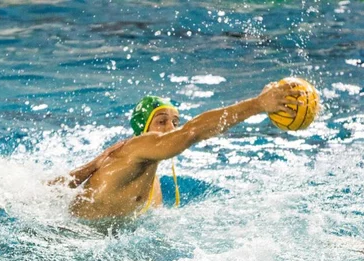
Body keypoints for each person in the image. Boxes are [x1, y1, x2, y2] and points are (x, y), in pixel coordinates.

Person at [55, 81, 304, 219]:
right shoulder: (136, 147)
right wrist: (258, 104)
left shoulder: (152, 174)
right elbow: (193, 131)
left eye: (175, 121)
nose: (170, 128)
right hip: (69, 245)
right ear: (142, 129)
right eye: (161, 121)